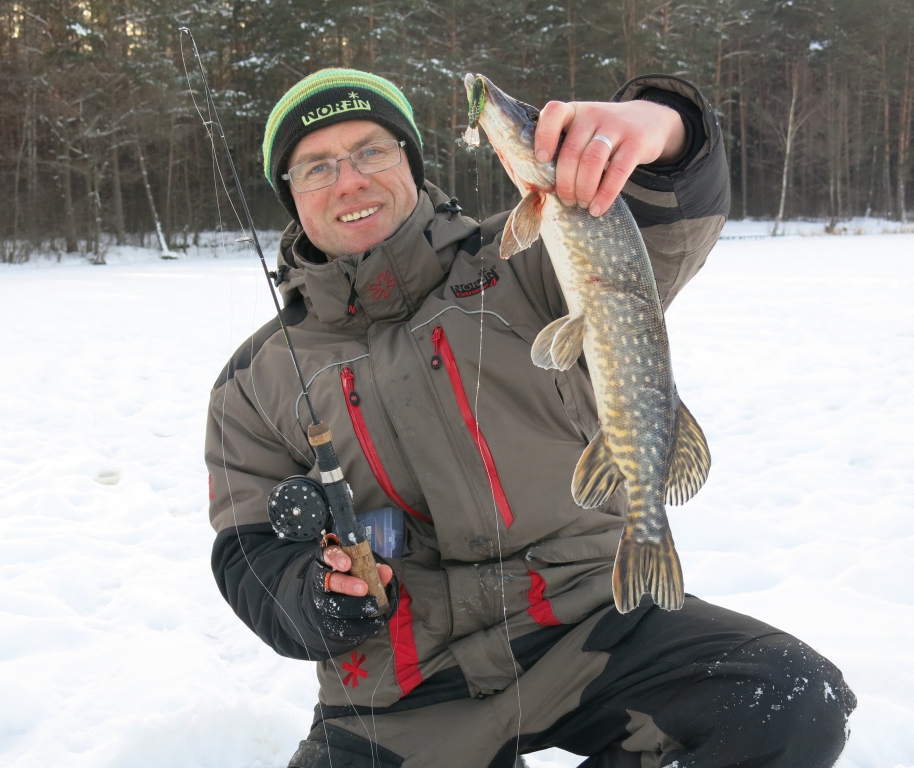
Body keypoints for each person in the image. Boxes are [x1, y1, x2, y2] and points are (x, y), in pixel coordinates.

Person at [205, 68, 855, 767]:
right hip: (403, 687)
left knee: (786, 697)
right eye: (316, 167)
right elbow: (250, 555)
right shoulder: (251, 383)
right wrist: (322, 598)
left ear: (411, 161)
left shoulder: (528, 261)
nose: (350, 180)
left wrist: (665, 126)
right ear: (291, 196)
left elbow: (671, 211)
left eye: (371, 151)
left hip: (585, 626)